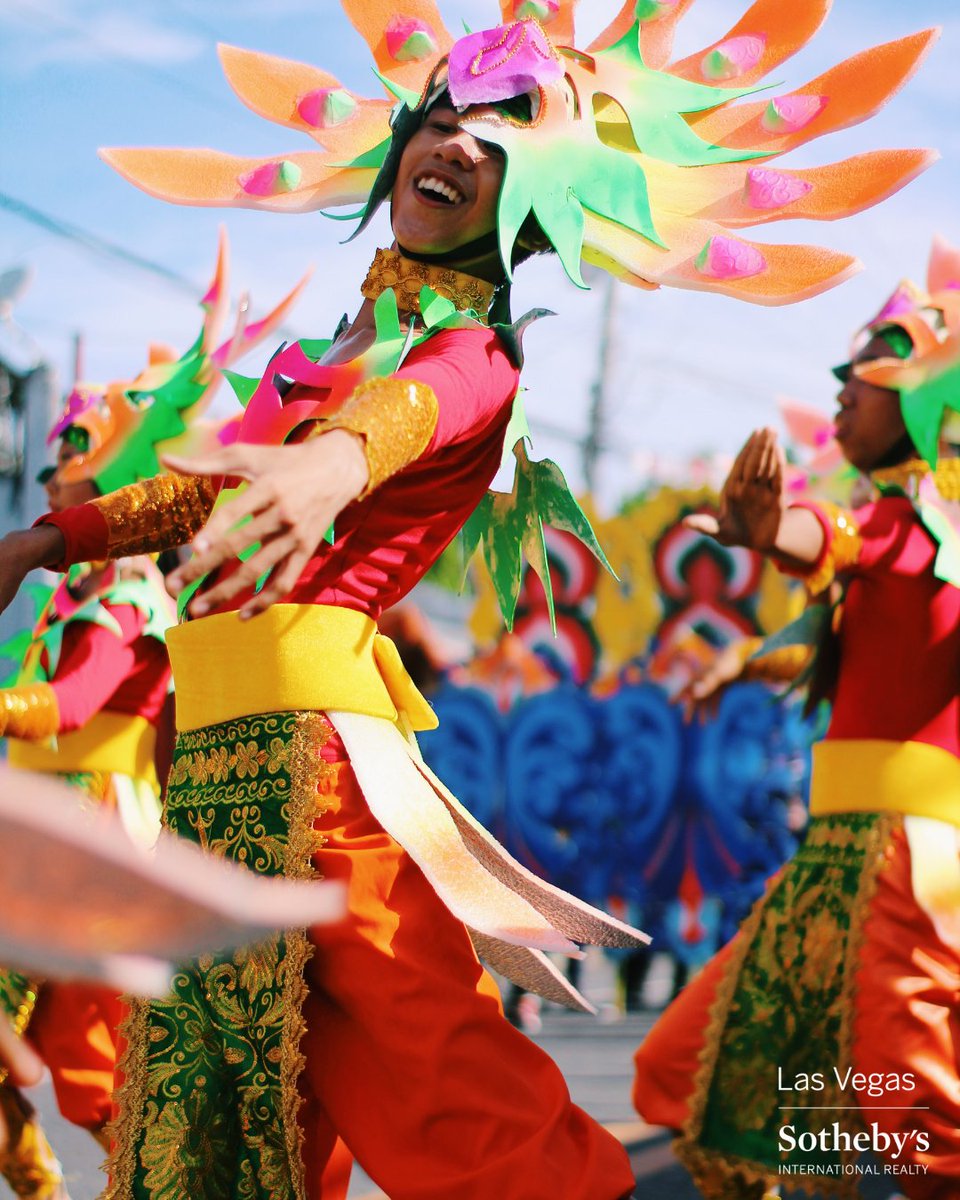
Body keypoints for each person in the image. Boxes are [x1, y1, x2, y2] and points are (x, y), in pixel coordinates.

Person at [0, 5, 937, 1198]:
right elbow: (196, 493)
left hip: (319, 785)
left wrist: (328, 463)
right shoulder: (340, 348)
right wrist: (48, 537)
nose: (455, 144)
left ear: (530, 197)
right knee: (217, 1130)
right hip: (220, 770)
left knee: (452, 1095)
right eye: (441, 118)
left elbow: (402, 422)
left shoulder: (473, 354)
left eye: (498, 140)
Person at [633, 238, 960, 1199]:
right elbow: (848, 618)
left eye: (874, 360)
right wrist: (740, 660)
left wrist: (772, 528)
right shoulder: (910, 539)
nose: (843, 381)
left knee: (918, 1119)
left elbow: (838, 539)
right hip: (834, 861)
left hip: (904, 859)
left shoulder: (920, 523)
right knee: (697, 1071)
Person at [0, 235, 304, 1200]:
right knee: (79, 1056)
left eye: (73, 470)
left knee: (74, 1047)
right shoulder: (72, 589)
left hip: (89, 816)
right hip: (48, 816)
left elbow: (75, 703)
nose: (54, 486)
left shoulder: (128, 589)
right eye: (52, 475)